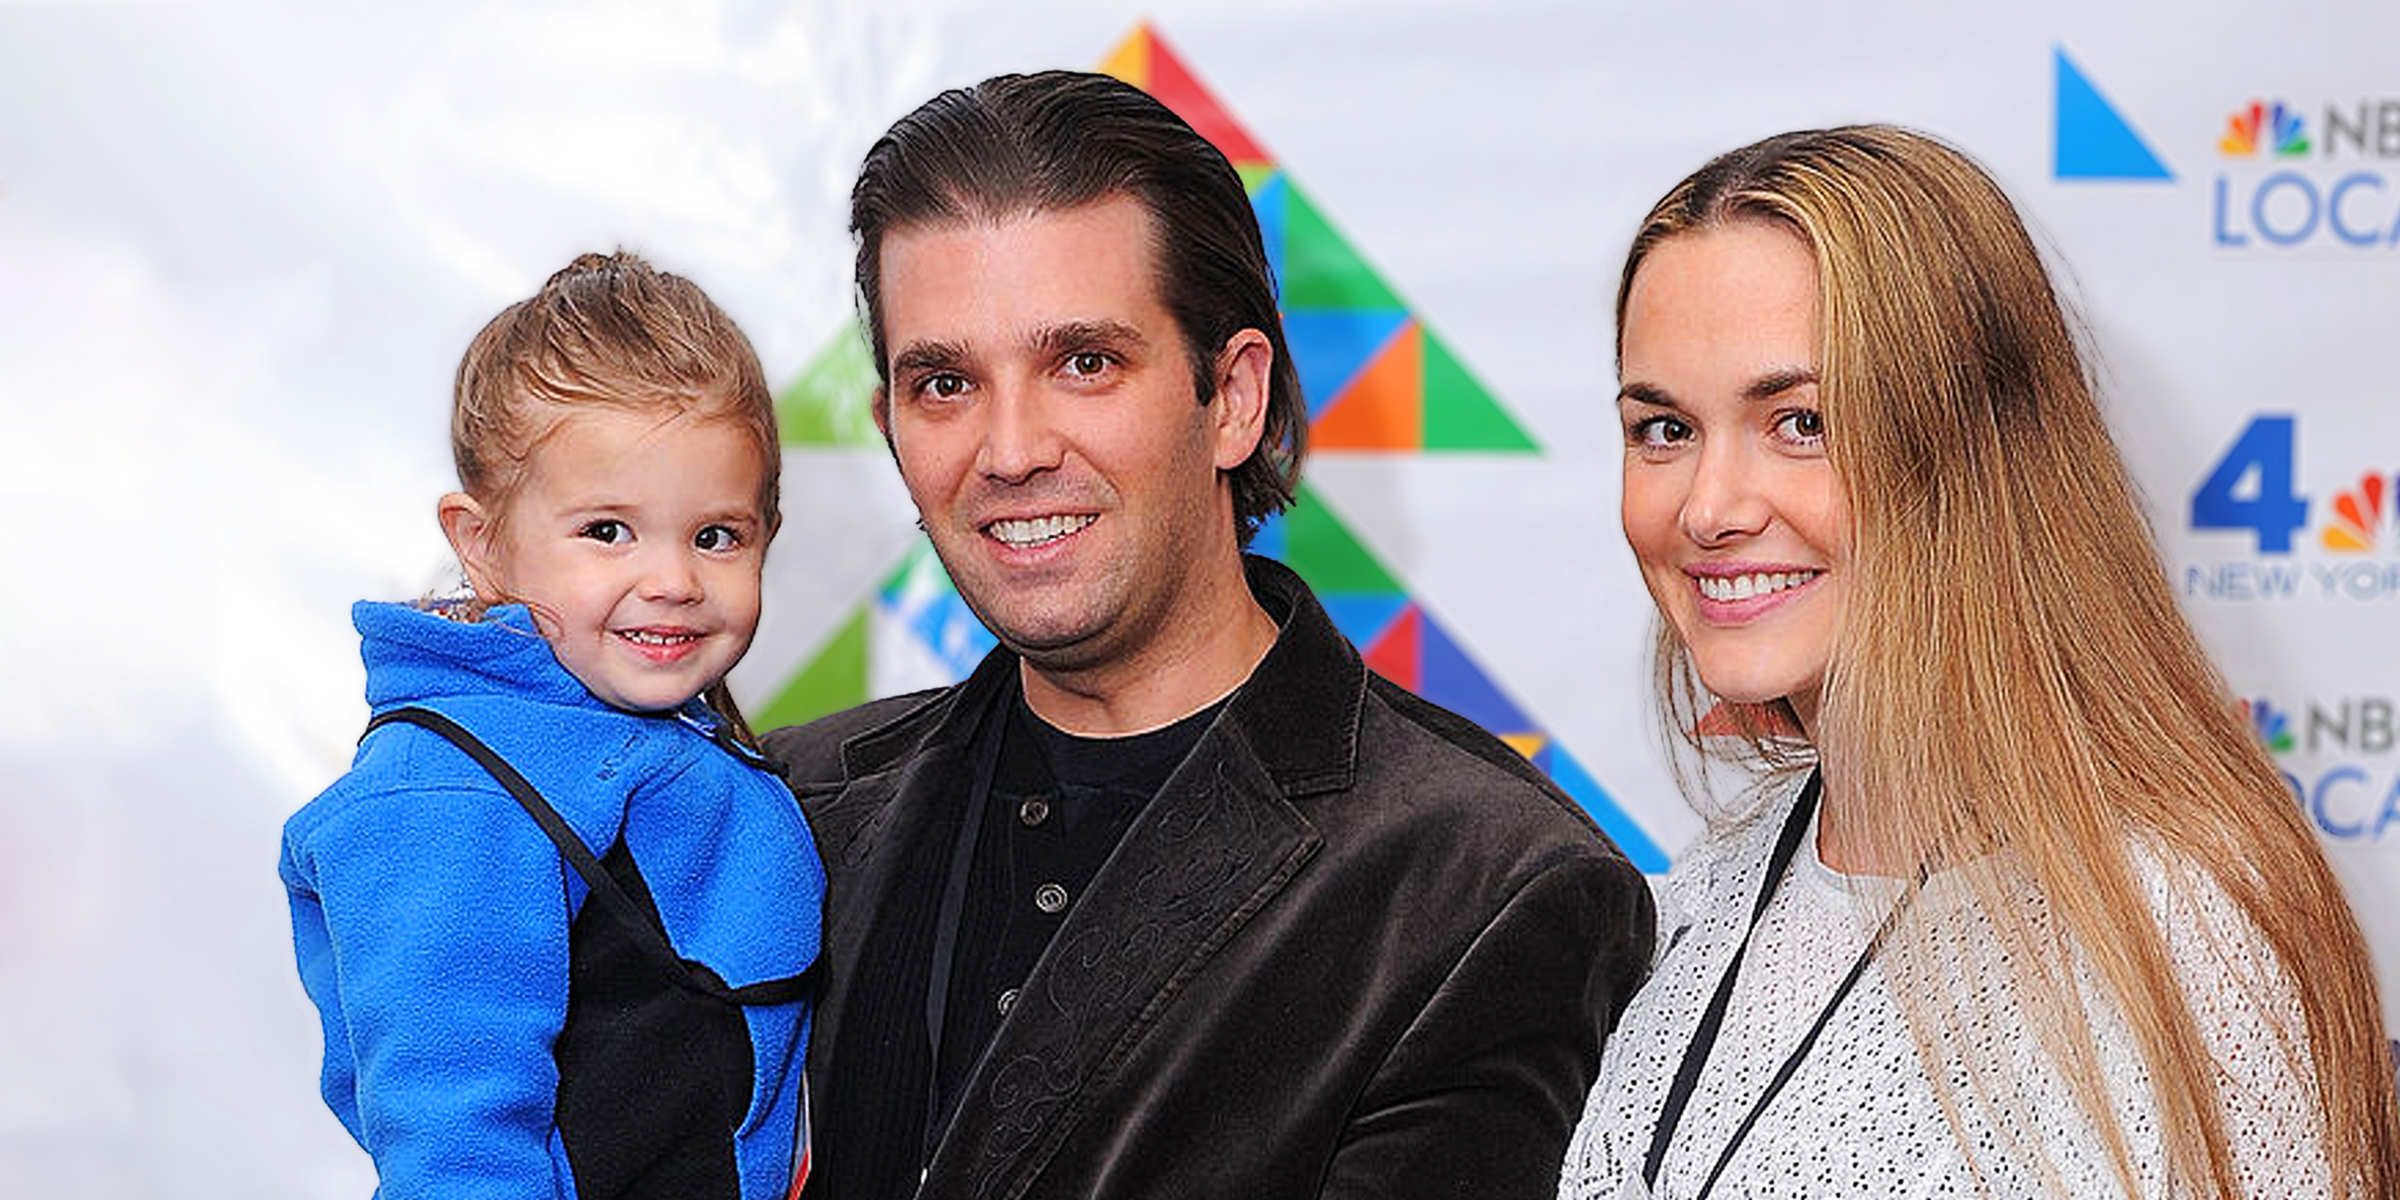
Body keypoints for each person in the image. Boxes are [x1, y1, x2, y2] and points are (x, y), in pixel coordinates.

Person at [762, 70, 1654, 1200]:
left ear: (1233, 395)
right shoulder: (781, 811)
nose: (1010, 448)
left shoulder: (1481, 891)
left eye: (1084, 362)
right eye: (945, 383)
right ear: (890, 424)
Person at [1557, 126, 2400, 1200]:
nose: (1711, 508)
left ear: (1974, 453)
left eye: (1802, 422)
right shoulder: (1703, 902)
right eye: (1665, 428)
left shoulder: (2186, 941)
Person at [280, 252, 825, 1200]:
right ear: (481, 544)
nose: (674, 580)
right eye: (607, 531)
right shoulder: (454, 797)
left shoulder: (659, 734)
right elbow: (455, 1143)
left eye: (717, 535)